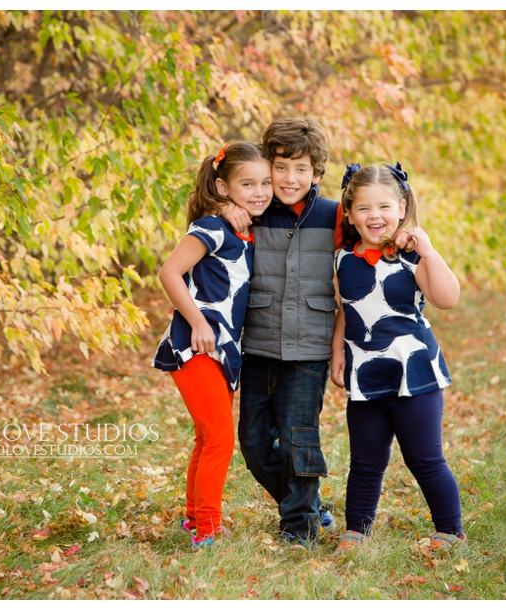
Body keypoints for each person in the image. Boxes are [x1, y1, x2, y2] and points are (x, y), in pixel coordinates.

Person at [329, 162, 464, 554]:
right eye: (364, 209)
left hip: (414, 373)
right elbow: (346, 308)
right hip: (365, 374)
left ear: (402, 207)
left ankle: (450, 530)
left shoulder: (411, 257)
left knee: (424, 458)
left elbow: (447, 299)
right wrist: (337, 350)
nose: (375, 216)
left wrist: (430, 251)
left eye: (384, 207)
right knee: (365, 462)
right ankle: (356, 531)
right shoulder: (342, 260)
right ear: (350, 214)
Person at [221, 118, 344, 549]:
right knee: (254, 443)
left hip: (309, 345)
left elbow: (368, 247)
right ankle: (308, 506)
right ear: (267, 166)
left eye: (302, 169)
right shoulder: (253, 209)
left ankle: (300, 527)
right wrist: (224, 211)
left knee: (298, 440)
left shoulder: (334, 215)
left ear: (316, 174)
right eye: (282, 166)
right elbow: (209, 229)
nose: (290, 178)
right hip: (257, 342)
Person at [152, 141, 272, 549]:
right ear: (223, 188)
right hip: (196, 345)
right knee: (219, 437)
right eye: (248, 183)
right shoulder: (211, 227)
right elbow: (169, 273)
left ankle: (193, 518)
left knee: (207, 437)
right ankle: (207, 529)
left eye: (266, 182)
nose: (260, 191)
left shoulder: (244, 230)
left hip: (224, 351)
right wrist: (198, 322)